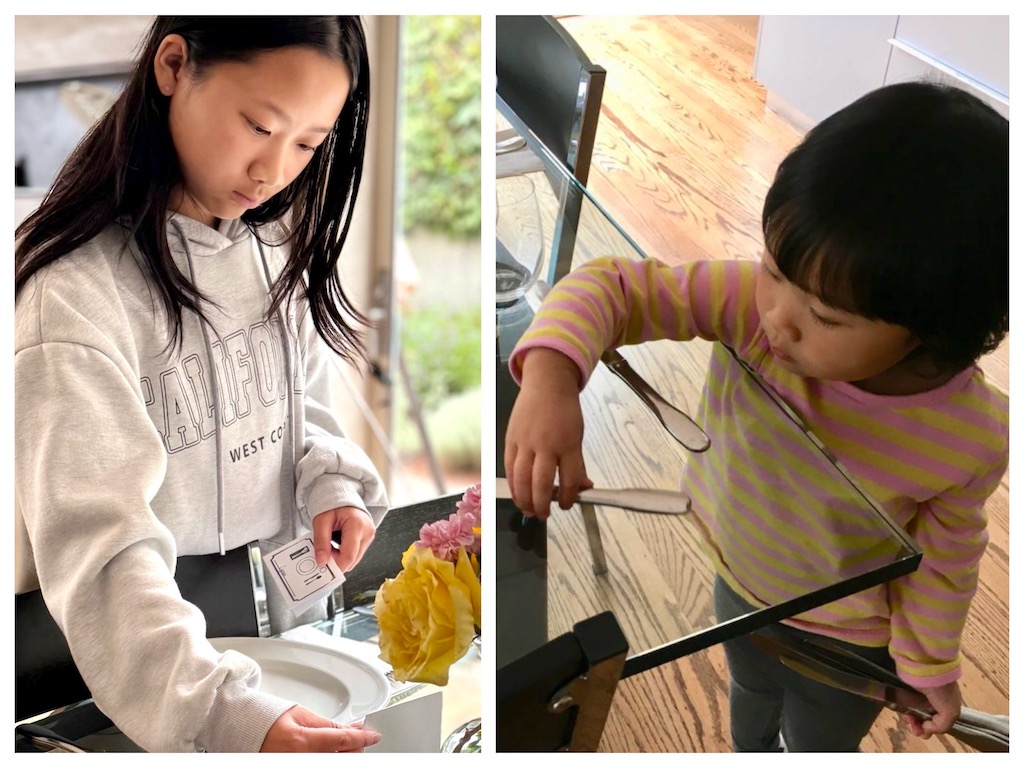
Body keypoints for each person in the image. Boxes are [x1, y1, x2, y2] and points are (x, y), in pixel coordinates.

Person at [503, 81, 1008, 752]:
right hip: (735, 580)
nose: (777, 317)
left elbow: (947, 561)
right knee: (749, 695)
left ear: (933, 327)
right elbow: (613, 287)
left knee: (819, 743)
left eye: (825, 316)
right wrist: (551, 376)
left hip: (849, 640)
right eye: (773, 269)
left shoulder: (968, 434)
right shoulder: (745, 303)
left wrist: (930, 667)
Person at [15, 17, 391, 753]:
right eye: (259, 126)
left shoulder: (271, 238)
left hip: (275, 645)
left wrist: (330, 485)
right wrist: (223, 713)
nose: (273, 170)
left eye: (308, 144)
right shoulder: (72, 298)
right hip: (127, 675)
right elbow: (102, 551)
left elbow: (301, 404)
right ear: (173, 66)